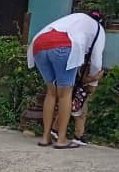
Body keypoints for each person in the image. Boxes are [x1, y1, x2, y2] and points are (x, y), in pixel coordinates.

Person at [27, 9, 105, 149]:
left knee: (51, 92)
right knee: (65, 94)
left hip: (39, 43)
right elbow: (96, 60)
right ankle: (61, 139)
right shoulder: (99, 29)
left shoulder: (75, 19)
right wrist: (94, 81)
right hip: (64, 46)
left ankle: (45, 138)